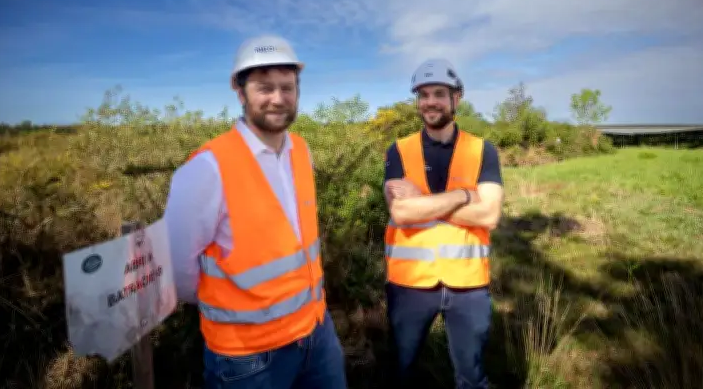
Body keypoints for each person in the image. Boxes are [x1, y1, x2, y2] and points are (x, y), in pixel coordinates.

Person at [163, 34, 348, 389]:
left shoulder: (301, 150)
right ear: (240, 91)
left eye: (287, 87)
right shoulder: (207, 169)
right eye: (265, 88)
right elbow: (180, 272)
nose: (278, 99)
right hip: (249, 357)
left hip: (316, 332)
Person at [382, 58, 504, 388]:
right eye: (423, 95)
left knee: (472, 377)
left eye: (438, 93)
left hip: (468, 286)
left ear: (456, 98)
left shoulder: (483, 151)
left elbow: (490, 215)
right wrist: (464, 196)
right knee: (400, 372)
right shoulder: (399, 150)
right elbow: (402, 214)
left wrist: (421, 199)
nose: (430, 102)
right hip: (410, 284)